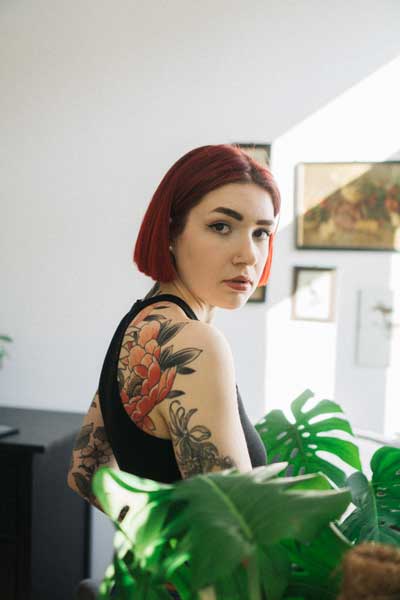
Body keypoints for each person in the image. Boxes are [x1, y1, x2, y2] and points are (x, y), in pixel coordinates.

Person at [67, 143, 281, 598]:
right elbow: (233, 545)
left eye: (262, 232)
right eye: (221, 226)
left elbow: (86, 472)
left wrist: (160, 552)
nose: (248, 254)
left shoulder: (140, 324)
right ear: (170, 232)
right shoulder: (196, 343)